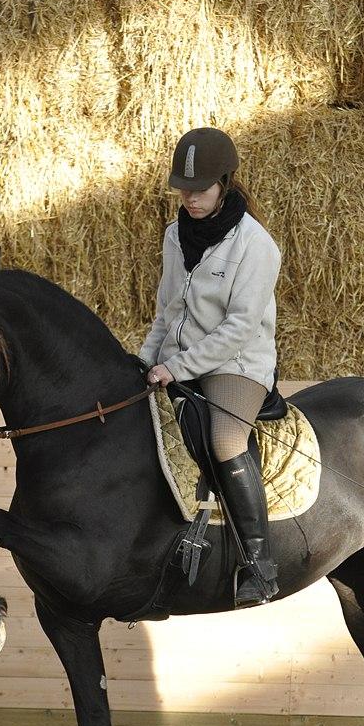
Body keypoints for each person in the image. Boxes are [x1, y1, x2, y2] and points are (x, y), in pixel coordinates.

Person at [139, 126, 281, 607]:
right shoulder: (175, 236)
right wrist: (142, 361)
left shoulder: (256, 246)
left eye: (199, 190)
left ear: (225, 183)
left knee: (224, 439)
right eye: (182, 188)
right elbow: (166, 313)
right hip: (177, 359)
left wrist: (177, 368)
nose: (189, 198)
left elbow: (240, 328)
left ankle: (259, 565)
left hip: (235, 363)